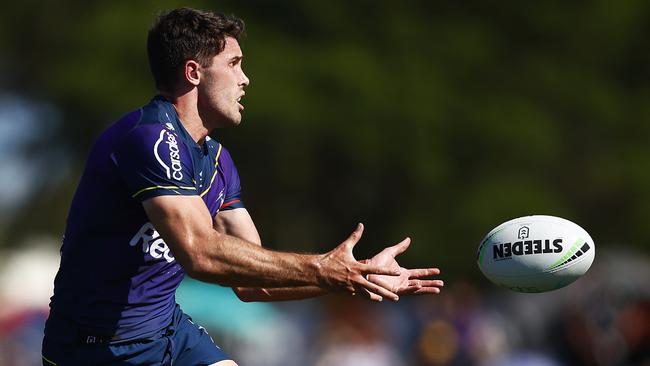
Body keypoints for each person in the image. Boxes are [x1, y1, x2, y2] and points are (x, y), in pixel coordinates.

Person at [41, 7, 444, 366]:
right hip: (94, 349)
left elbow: (252, 281)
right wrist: (324, 268)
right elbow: (201, 253)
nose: (245, 79)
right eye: (234, 63)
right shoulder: (149, 139)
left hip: (169, 335)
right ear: (194, 72)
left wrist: (357, 276)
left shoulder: (218, 161)